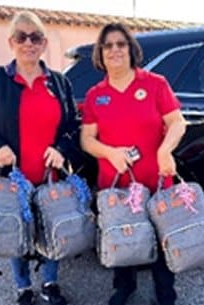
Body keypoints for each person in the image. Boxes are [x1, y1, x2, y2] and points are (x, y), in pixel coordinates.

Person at [0, 10, 79, 305]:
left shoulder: (58, 83)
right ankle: (23, 288)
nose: (28, 43)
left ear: (43, 44)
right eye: (22, 37)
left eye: (35, 37)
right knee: (16, 230)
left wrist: (62, 149)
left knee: (50, 226)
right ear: (11, 42)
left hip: (49, 175)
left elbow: (73, 124)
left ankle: (50, 283)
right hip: (12, 175)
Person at [80, 23, 186, 305]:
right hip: (116, 186)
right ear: (100, 54)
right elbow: (86, 139)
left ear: (131, 50)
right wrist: (110, 153)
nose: (114, 49)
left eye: (120, 44)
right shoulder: (94, 95)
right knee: (121, 237)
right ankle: (123, 287)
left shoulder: (155, 84)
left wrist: (165, 149)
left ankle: (165, 294)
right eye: (108, 45)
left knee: (161, 240)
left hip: (157, 181)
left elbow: (177, 122)